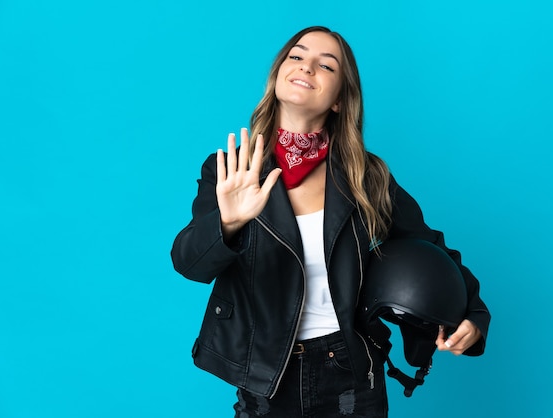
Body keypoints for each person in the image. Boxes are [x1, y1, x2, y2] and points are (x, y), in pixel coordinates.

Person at [171, 26, 490, 418]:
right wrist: (228, 223)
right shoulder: (233, 169)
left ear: (339, 99)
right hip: (266, 370)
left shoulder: (366, 176)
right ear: (278, 76)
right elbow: (189, 263)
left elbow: (431, 246)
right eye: (297, 56)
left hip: (351, 369)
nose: (307, 67)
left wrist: (473, 316)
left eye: (326, 65)